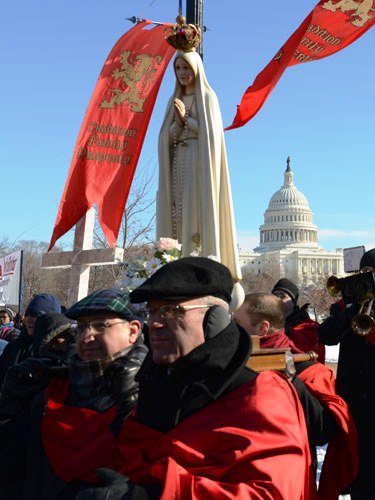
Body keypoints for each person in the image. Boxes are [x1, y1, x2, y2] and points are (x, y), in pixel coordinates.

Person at [76, 257, 317, 499]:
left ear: (215, 320)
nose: (155, 323)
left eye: (171, 310)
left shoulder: (260, 394)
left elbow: (272, 493)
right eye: (152, 311)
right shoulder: (154, 385)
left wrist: (153, 494)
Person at [0, 289, 147, 500]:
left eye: (99, 325)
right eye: (82, 327)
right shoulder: (50, 389)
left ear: (133, 331)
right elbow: (15, 468)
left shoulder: (154, 393)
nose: (87, 336)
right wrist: (11, 410)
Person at [234, 292, 357, 498]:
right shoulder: (234, 361)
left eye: (237, 322)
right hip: (241, 481)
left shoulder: (309, 371)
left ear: (263, 328)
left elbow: (322, 431)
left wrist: (293, 382)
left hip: (289, 482)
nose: (231, 329)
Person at [157, 48, 241, 285]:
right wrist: (177, 125)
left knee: (196, 210)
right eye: (178, 69)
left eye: (186, 68)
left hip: (198, 163)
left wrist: (187, 121)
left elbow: (213, 136)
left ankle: (199, 259)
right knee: (179, 210)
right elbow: (166, 136)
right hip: (177, 164)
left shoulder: (207, 97)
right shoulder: (174, 100)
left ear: (196, 70)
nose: (182, 73)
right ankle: (176, 258)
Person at [318, 247, 375, 499]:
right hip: (353, 398)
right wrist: (352, 309)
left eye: (371, 272)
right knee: (357, 467)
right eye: (363, 271)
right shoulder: (347, 305)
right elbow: (326, 335)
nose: (366, 276)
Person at [0, 293, 62, 385]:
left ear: (52, 318)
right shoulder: (14, 347)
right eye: (27, 314)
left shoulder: (61, 351)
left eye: (35, 315)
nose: (29, 319)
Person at [272, 277, 325, 363]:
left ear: (293, 302)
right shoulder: (268, 323)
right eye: (274, 296)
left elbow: (308, 351)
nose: (277, 299)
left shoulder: (309, 326)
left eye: (283, 296)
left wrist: (286, 331)